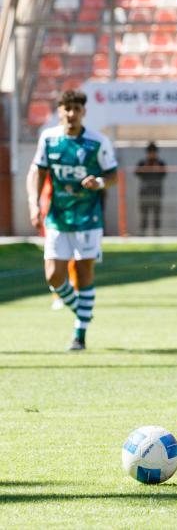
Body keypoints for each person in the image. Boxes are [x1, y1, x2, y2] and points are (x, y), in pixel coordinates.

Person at [26, 89, 118, 350]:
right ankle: (83, 311)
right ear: (59, 111)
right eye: (67, 109)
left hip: (88, 218)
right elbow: (36, 173)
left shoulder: (97, 142)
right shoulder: (49, 139)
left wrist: (98, 181)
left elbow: (113, 175)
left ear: (83, 112)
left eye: (76, 109)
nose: (71, 114)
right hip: (57, 217)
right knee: (54, 276)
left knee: (83, 272)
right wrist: (34, 204)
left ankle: (80, 334)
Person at [134, 141, 167, 235]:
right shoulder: (142, 162)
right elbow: (136, 173)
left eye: (153, 152)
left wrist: (157, 167)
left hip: (156, 192)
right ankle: (142, 234)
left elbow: (164, 174)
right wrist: (146, 167)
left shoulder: (160, 163)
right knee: (144, 214)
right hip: (144, 192)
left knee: (157, 214)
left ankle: (157, 234)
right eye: (150, 152)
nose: (152, 154)